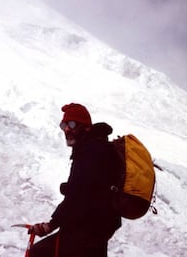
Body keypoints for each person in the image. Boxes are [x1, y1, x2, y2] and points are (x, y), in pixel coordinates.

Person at [28, 103, 122, 257]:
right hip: (97, 232)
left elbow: (77, 196)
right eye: (64, 125)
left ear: (85, 127)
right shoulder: (98, 148)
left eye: (72, 124)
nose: (66, 129)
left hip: (86, 231)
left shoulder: (90, 151)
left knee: (38, 254)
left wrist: (51, 224)